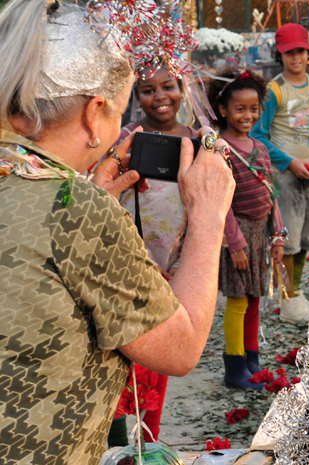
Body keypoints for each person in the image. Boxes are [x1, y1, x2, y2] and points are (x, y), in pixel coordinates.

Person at [0, 2, 234, 464]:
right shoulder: (74, 207)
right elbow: (180, 349)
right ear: (94, 113)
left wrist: (93, 203)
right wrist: (208, 215)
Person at [106, 66, 200, 446]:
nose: (160, 97)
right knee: (121, 353)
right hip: (126, 265)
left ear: (183, 90)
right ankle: (114, 442)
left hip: (171, 268)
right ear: (135, 97)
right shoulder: (125, 141)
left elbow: (206, 209)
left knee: (159, 355)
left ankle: (150, 440)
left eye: (169, 87)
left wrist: (182, 266)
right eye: (147, 90)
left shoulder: (196, 143)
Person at [250, 23, 309, 320]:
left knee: (306, 234)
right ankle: (287, 301)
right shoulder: (274, 91)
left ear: (308, 52)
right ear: (280, 55)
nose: (295, 57)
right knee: (287, 238)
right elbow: (258, 135)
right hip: (285, 176)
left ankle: (295, 293)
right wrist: (289, 162)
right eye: (289, 53)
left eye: (300, 51)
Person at [207, 67, 286, 389]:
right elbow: (221, 202)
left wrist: (277, 234)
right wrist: (235, 243)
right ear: (223, 109)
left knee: (255, 299)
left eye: (254, 109)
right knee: (238, 302)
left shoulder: (261, 149)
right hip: (237, 237)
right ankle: (234, 366)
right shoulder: (219, 150)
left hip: (260, 237)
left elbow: (272, 195)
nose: (248, 115)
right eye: (240, 109)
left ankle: (252, 360)